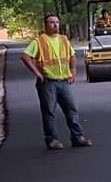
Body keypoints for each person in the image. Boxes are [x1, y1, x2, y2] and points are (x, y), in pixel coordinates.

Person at [21, 14, 92, 151]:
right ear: (45, 25)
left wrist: (73, 70)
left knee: (71, 109)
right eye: (52, 22)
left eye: (57, 22)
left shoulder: (64, 40)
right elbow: (25, 56)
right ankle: (52, 140)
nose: (55, 25)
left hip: (64, 81)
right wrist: (37, 73)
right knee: (49, 112)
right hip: (47, 83)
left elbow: (72, 56)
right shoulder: (39, 42)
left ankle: (77, 137)